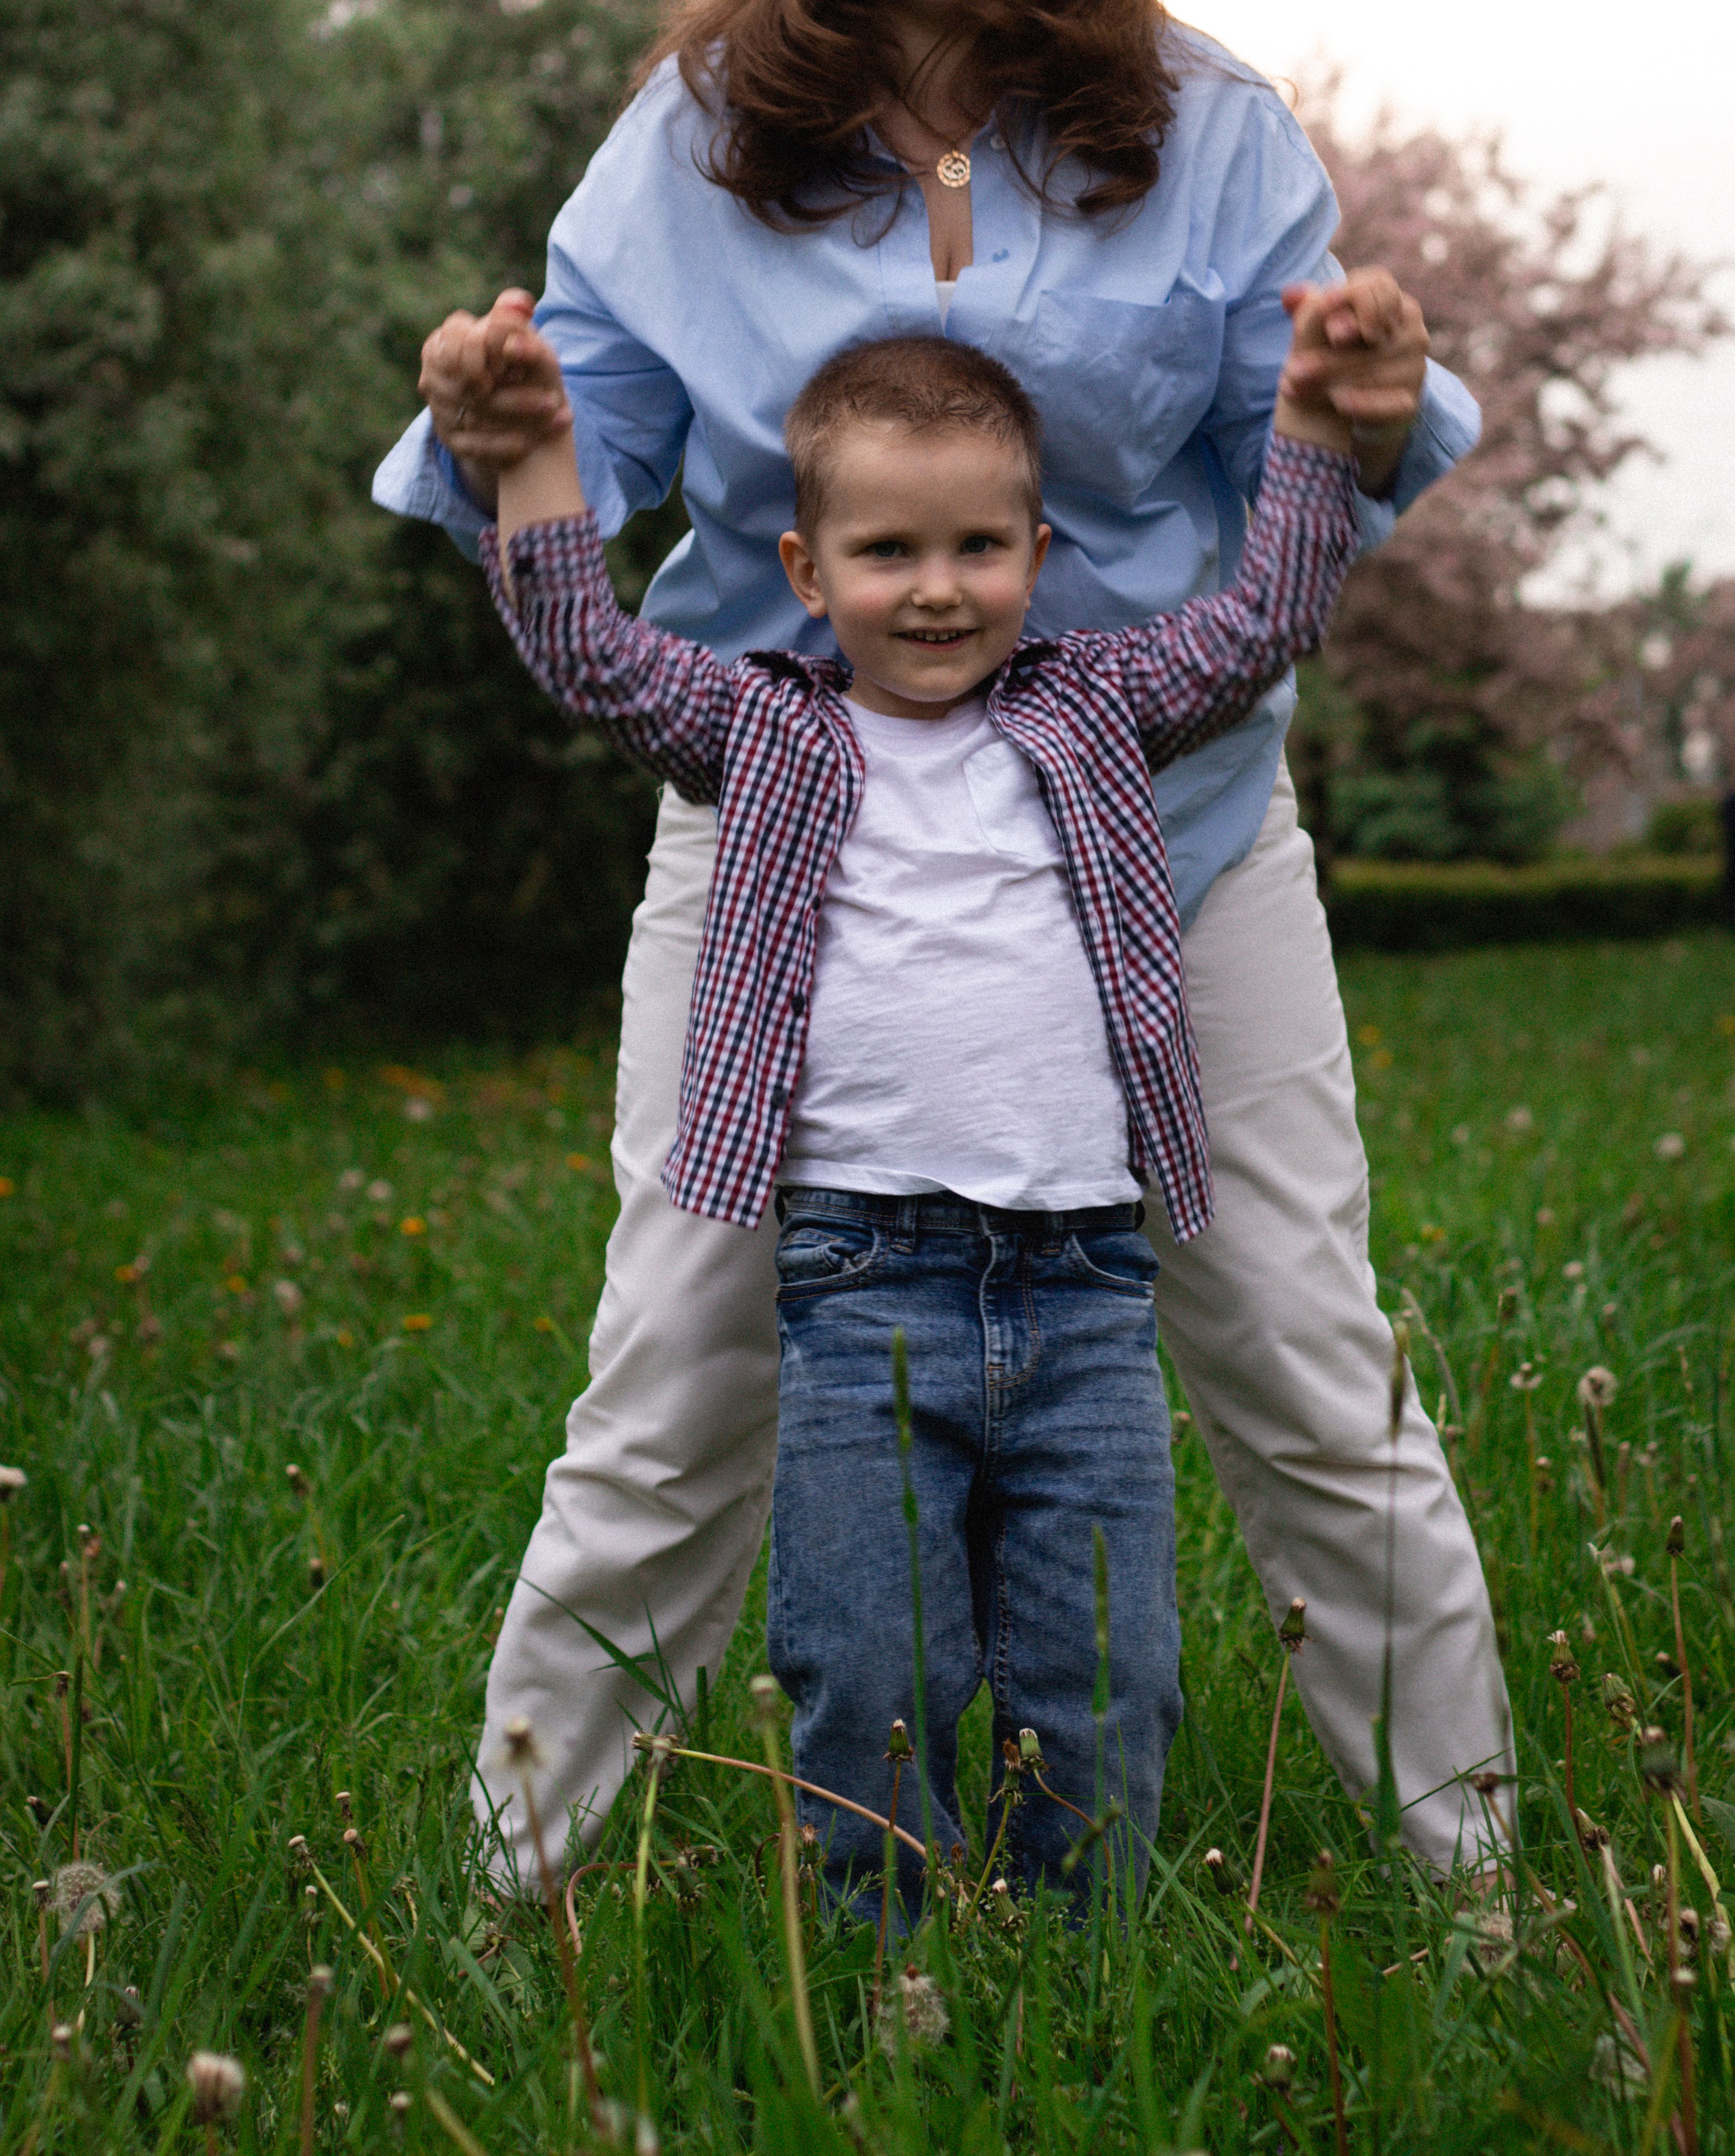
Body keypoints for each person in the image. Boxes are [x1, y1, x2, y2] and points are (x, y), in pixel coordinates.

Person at [374, 0, 1515, 1886]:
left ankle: (1477, 1884)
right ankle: (516, 1890)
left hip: (1174, 829)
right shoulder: (703, 126)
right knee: (674, 1377)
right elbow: (571, 447)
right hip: (782, 839)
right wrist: (499, 419)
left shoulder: (1207, 121)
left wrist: (1361, 406)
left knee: (1309, 1365)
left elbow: (1302, 464)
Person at [472, 307, 1364, 1906]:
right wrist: (535, 456)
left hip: (1087, 1282)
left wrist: (1306, 419)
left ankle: (1080, 1973)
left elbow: (1259, 621)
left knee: (1106, 1673)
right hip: (856, 1282)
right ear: (808, 574)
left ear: (1038, 547)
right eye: (886, 550)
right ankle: (881, 1986)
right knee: (867, 1668)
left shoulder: (1095, 705)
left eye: (977, 545)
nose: (937, 587)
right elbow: (587, 659)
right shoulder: (763, 729)